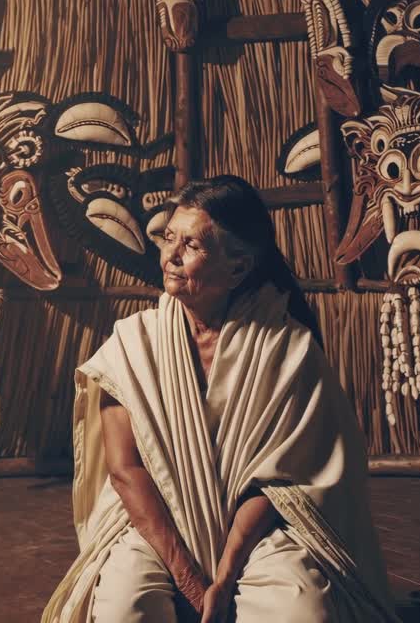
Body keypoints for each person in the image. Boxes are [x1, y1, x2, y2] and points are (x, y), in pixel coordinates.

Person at [43, 176, 398, 623]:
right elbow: (126, 471)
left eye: (191, 245)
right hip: (157, 525)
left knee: (302, 611)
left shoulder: (286, 350)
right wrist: (191, 580)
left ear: (238, 267)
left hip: (253, 529)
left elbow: (281, 484)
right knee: (123, 610)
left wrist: (226, 575)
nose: (170, 256)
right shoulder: (131, 345)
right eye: (169, 237)